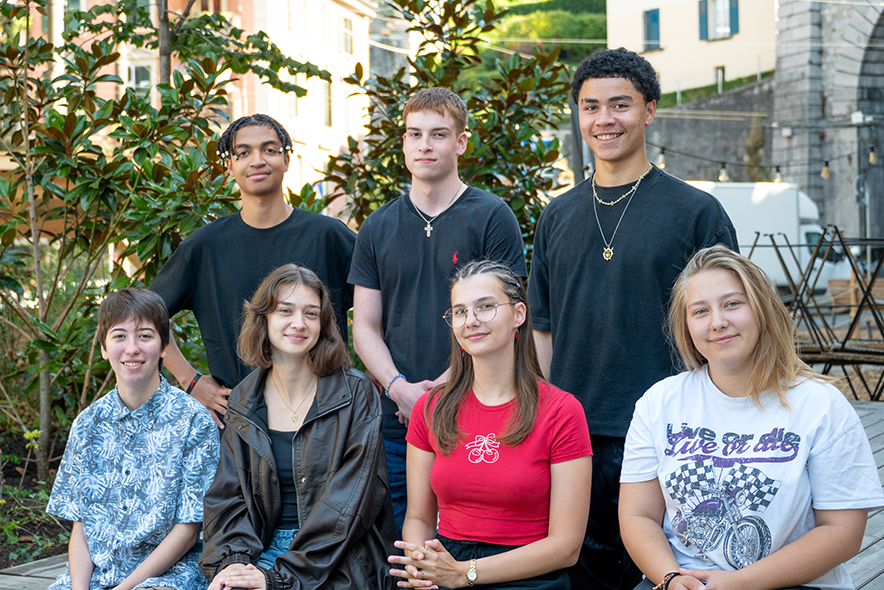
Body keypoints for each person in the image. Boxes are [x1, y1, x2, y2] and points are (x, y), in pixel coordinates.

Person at [527, 48, 739, 590]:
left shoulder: (697, 212)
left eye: (619, 105)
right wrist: (553, 414)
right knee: (583, 573)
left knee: (666, 572)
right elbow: (543, 328)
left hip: (673, 432)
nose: (604, 120)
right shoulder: (557, 214)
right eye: (590, 107)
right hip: (575, 434)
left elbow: (732, 327)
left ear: (648, 110)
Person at [620, 245, 884, 590]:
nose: (717, 322)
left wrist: (740, 583)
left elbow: (843, 532)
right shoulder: (659, 403)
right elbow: (639, 515)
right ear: (686, 326)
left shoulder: (821, 405)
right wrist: (670, 579)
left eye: (732, 304)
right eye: (700, 311)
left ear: (762, 309)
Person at [349, 88, 527, 533]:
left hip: (475, 412)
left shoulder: (492, 216)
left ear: (461, 143)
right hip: (395, 419)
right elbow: (365, 325)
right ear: (404, 143)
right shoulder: (377, 226)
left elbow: (502, 316)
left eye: (438, 134)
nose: (424, 145)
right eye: (414, 134)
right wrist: (400, 390)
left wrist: (443, 390)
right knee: (401, 548)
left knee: (465, 539)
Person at [389, 260, 592, 589]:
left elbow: (566, 547)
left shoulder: (562, 411)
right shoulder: (431, 408)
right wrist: (419, 564)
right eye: (459, 311)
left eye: (485, 306)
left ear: (519, 315)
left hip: (528, 576)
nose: (471, 321)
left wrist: (466, 573)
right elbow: (419, 518)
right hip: (445, 568)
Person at [150, 114, 356, 429]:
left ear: (287, 159)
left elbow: (383, 305)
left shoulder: (328, 236)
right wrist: (190, 381)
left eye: (269, 150)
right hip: (240, 425)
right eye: (243, 153)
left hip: (326, 421)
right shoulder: (206, 246)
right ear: (229, 166)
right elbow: (145, 315)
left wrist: (384, 379)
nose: (257, 160)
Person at [199, 264, 396, 590]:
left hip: (340, 559)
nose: (298, 323)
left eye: (311, 313)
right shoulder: (244, 400)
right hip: (261, 551)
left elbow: (351, 505)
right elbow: (228, 500)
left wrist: (277, 579)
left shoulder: (356, 394)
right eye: (285, 311)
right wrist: (235, 566)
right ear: (263, 318)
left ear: (323, 323)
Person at [46, 288, 220, 590]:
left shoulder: (193, 421)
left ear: (164, 346)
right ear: (103, 347)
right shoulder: (87, 424)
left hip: (167, 577)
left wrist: (124, 588)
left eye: (145, 336)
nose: (132, 348)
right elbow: (81, 527)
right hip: (96, 576)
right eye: (119, 336)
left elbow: (188, 530)